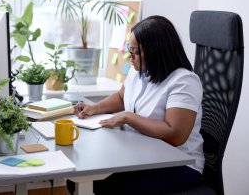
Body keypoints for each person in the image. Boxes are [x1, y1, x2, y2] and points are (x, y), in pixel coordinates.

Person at [67, 15, 204, 195]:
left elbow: (175, 134)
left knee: (103, 188)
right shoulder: (139, 71)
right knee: (76, 181)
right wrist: (95, 108)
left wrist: (128, 117)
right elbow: (121, 97)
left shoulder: (184, 81)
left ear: (157, 51)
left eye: (136, 52)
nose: (130, 57)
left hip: (178, 164)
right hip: (141, 155)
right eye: (129, 50)